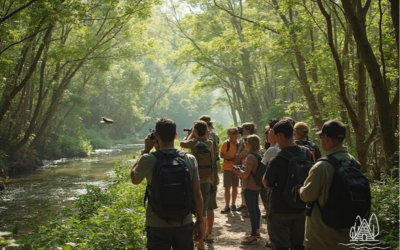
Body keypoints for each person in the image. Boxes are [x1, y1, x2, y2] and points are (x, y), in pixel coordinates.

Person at [130, 118, 203, 250]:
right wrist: (200, 221)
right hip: (184, 222)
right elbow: (197, 194)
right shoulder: (189, 159)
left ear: (156, 136)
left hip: (157, 224)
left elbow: (134, 179)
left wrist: (145, 150)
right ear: (175, 135)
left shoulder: (148, 159)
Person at [299, 120, 354, 250]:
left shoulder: (322, 166)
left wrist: (301, 189)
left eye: (321, 137)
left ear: (326, 137)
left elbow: (307, 196)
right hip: (348, 236)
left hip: (322, 238)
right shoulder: (354, 163)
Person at [265, 119, 312, 250]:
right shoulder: (306, 153)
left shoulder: (277, 159)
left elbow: (267, 183)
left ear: (279, 136)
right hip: (302, 206)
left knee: (281, 245)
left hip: (281, 210)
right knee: (299, 245)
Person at [180, 120, 215, 250]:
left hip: (193, 181)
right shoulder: (209, 142)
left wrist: (190, 134)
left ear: (195, 131)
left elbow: (181, 143)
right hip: (206, 181)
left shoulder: (192, 142)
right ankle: (201, 242)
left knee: (191, 209)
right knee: (203, 211)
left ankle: (190, 237)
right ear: (206, 131)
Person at [233, 135, 262, 245]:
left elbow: (245, 175)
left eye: (247, 142)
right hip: (257, 186)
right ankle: (257, 231)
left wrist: (237, 171)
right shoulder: (258, 155)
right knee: (256, 208)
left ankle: (253, 235)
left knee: (251, 211)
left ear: (251, 144)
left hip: (249, 187)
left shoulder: (250, 157)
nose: (245, 144)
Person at [199, 115, 220, 243]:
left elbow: (183, 143)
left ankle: (199, 236)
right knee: (210, 205)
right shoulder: (214, 136)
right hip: (211, 173)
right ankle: (209, 233)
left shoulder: (196, 139)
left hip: (198, 176)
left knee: (198, 204)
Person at [261, 119, 280, 248]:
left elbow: (262, 166)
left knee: (270, 213)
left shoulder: (272, 150)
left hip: (270, 183)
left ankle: (273, 239)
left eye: (269, 135)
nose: (267, 136)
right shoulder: (280, 148)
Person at [235, 122, 256, 216]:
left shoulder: (248, 140)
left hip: (247, 165)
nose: (241, 131)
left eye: (243, 129)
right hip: (245, 165)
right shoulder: (254, 138)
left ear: (247, 130)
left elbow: (245, 152)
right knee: (244, 186)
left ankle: (248, 209)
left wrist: (237, 156)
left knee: (247, 187)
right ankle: (244, 205)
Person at [220, 127, 240, 214]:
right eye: (231, 134)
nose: (234, 136)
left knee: (235, 187)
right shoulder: (226, 143)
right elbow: (222, 154)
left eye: (235, 134)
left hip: (236, 168)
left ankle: (233, 204)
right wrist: (232, 158)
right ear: (229, 135)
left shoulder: (239, 144)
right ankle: (227, 205)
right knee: (227, 187)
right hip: (227, 168)